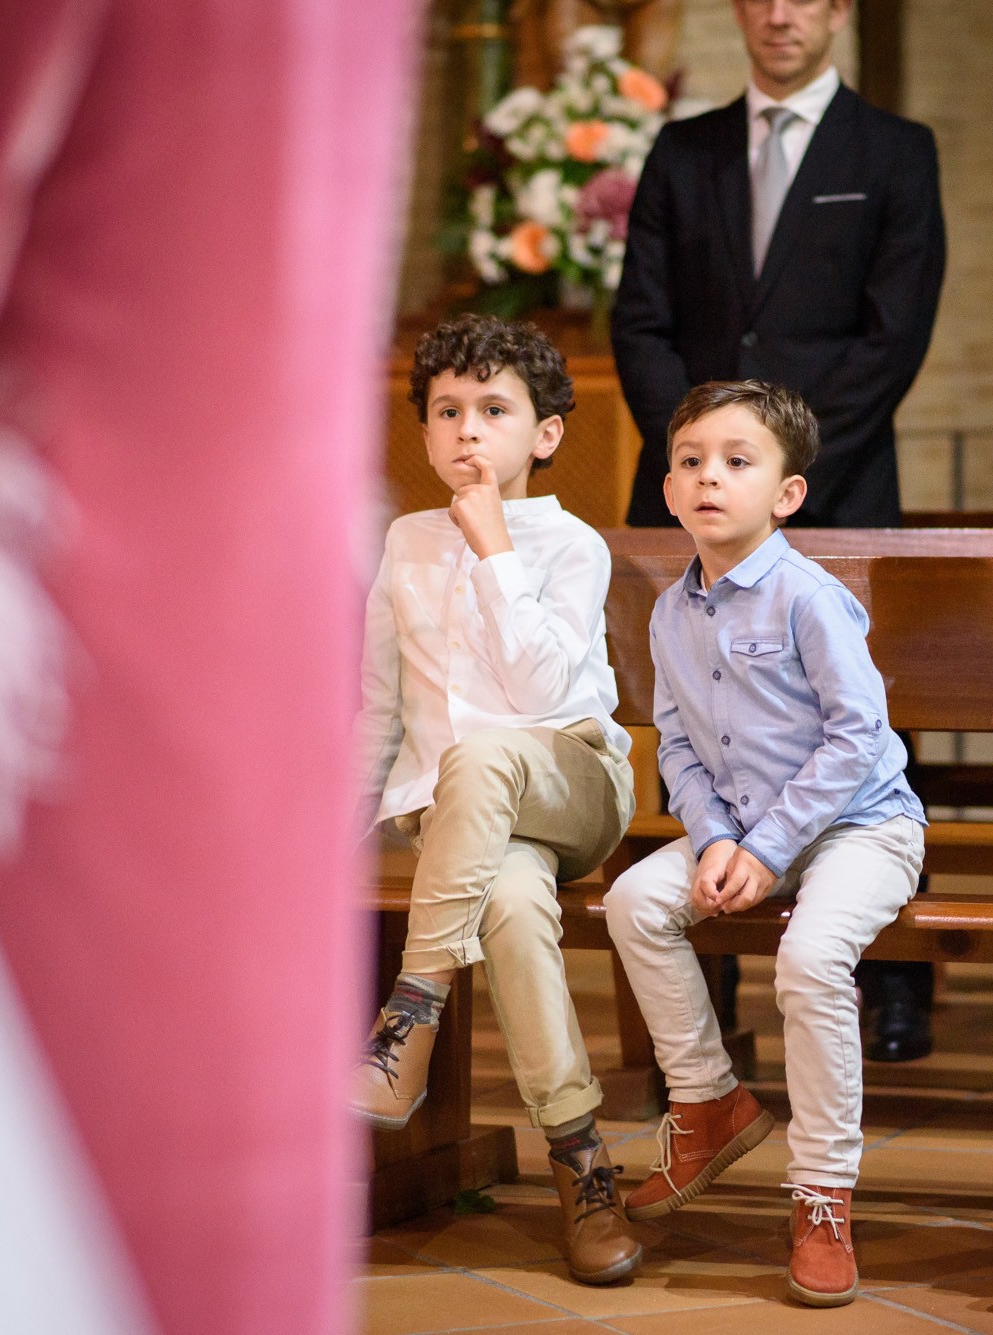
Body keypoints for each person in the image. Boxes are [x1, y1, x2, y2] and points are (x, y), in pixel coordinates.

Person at [611, 0, 947, 1061]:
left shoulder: (893, 150)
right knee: (701, 711)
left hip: (836, 481)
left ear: (838, 11)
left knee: (861, 711)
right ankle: (705, 989)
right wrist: (700, 452)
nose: (778, 13)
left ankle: (891, 981)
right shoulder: (684, 150)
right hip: (701, 483)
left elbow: (895, 330)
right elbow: (640, 319)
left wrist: (783, 468)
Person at [604, 381, 927, 1307]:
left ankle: (823, 1191)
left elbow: (856, 738)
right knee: (633, 900)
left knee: (810, 958)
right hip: (743, 830)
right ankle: (708, 1101)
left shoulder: (808, 599)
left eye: (737, 462)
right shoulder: (671, 612)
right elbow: (675, 743)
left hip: (863, 825)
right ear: (668, 490)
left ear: (787, 494)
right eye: (692, 462)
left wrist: (768, 847)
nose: (711, 477)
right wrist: (712, 838)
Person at [350, 316, 641, 1285]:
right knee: (511, 901)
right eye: (446, 411)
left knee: (478, 756)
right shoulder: (403, 541)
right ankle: (581, 1158)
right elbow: (379, 706)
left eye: (492, 409)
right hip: (465, 823)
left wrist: (491, 548)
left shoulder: (571, 545)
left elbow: (546, 697)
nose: (466, 429)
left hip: (572, 781)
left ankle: (409, 1019)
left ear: (544, 433)